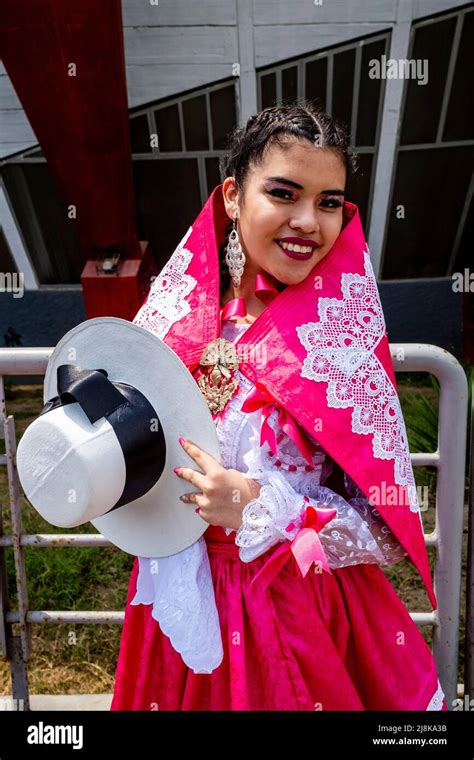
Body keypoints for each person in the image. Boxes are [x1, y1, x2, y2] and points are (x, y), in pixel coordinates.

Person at [110, 102, 447, 711]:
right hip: (178, 603)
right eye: (284, 193)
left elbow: (384, 526)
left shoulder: (337, 346)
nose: (307, 222)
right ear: (234, 196)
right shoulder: (175, 323)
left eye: (327, 202)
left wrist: (264, 507)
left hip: (295, 611)